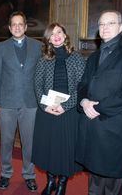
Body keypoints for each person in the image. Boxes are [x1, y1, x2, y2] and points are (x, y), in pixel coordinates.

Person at [76, 10, 122, 195]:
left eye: (110, 23)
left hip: (114, 127)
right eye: (101, 24)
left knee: (114, 183)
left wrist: (97, 107)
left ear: (121, 27)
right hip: (92, 127)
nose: (105, 28)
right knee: (95, 181)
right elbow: (82, 85)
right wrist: (83, 102)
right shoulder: (93, 57)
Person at [32, 23, 86, 195]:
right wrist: (45, 106)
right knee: (50, 148)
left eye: (59, 32)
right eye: (52, 34)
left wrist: (66, 106)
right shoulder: (44, 59)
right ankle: (50, 182)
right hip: (48, 111)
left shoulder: (77, 58)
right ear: (48, 39)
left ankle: (62, 183)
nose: (56, 36)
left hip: (69, 112)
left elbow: (82, 87)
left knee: (65, 149)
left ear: (65, 35)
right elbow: (37, 85)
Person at [0, 11, 42, 192]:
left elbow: (42, 75)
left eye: (21, 24)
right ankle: (5, 173)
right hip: (7, 103)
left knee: (29, 143)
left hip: (30, 103)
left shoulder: (38, 46)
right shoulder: (2, 47)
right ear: (10, 28)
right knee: (6, 141)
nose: (17, 27)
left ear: (26, 27)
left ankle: (29, 175)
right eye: (14, 24)